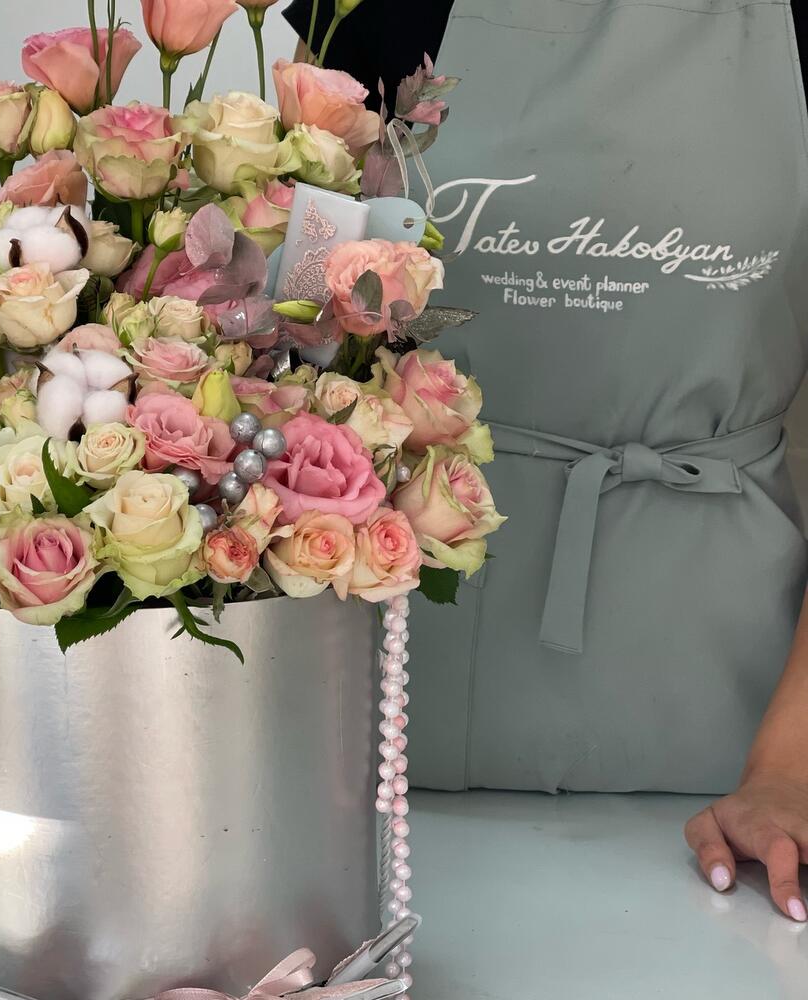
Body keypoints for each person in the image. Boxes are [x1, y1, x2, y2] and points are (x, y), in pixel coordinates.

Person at [285, 0, 808, 921]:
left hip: (741, 794)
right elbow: (290, 337)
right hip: (367, 766)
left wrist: (790, 773)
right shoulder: (372, 11)